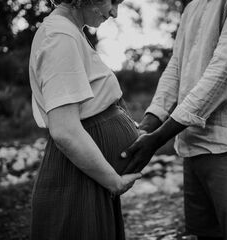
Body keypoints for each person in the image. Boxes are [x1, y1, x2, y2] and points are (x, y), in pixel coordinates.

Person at [121, 0, 227, 239]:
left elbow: (226, 70)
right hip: (193, 147)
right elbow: (176, 68)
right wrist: (145, 127)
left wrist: (157, 139)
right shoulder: (194, 6)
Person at [28, 0, 142, 239]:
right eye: (112, 1)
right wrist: (114, 182)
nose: (114, 12)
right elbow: (65, 130)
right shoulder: (59, 36)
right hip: (79, 179)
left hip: (88, 177)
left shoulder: (69, 32)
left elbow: (92, 105)